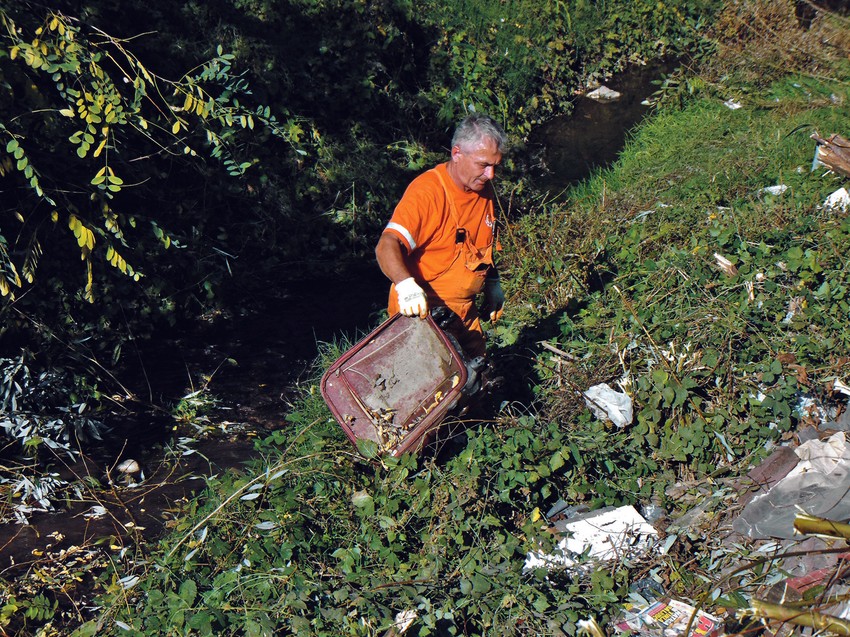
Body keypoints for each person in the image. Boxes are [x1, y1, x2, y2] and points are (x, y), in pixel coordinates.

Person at [375, 113, 507, 358]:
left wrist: (492, 282)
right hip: (424, 317)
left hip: (465, 315)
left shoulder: (483, 188)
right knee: (432, 389)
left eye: (495, 166)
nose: (491, 175)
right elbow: (386, 244)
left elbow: (483, 244)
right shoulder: (428, 193)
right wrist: (405, 286)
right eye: (483, 165)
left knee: (477, 379)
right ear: (457, 154)